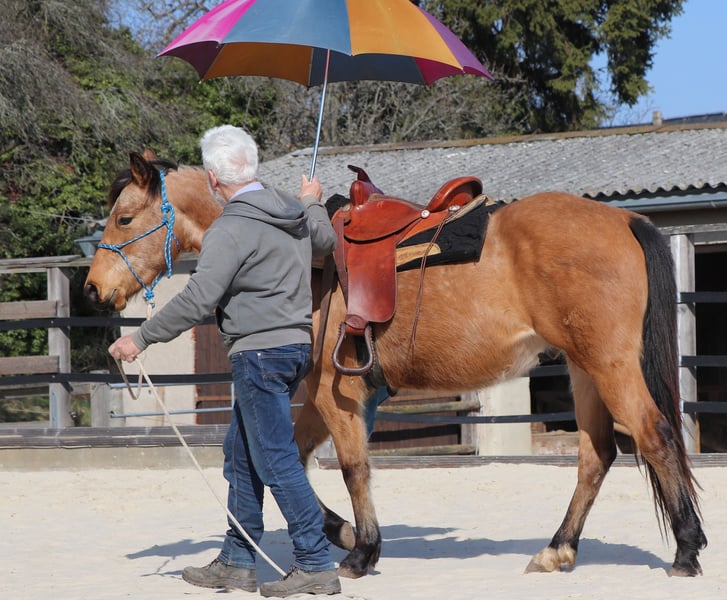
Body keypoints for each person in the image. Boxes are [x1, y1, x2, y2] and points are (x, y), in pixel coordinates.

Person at [108, 124, 340, 598]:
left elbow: (198, 298)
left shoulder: (229, 228)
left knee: (274, 458)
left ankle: (316, 562)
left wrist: (141, 339)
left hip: (258, 354)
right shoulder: (292, 211)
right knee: (242, 454)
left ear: (213, 179)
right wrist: (312, 200)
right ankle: (237, 559)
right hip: (295, 347)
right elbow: (324, 240)